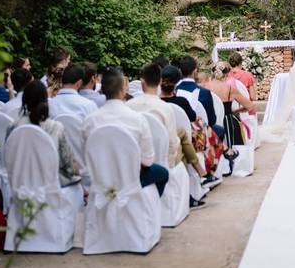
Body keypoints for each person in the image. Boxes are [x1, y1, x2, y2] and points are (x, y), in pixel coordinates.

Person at [83, 67, 168, 197]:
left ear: (102, 90)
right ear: (123, 90)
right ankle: (156, 205)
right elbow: (148, 160)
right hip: (131, 179)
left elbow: (86, 156)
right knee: (163, 174)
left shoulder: (89, 121)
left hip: (101, 179)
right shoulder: (137, 119)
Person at [129, 63, 208, 203]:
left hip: (133, 159)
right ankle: (190, 192)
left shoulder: (129, 106)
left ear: (142, 82)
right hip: (162, 158)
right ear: (159, 81)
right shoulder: (165, 108)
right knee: (181, 144)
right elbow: (172, 143)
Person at [8, 81, 81, 187]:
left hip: (21, 188)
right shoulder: (56, 127)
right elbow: (69, 166)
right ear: (46, 100)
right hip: (50, 189)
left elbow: (8, 160)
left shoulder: (13, 127)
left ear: (24, 101)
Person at [161, 64, 219, 184]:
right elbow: (193, 118)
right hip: (182, 138)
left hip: (160, 139)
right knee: (205, 130)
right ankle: (207, 171)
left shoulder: (157, 102)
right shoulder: (182, 101)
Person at [204, 61, 255, 160]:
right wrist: (235, 111)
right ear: (226, 74)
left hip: (209, 122)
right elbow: (250, 105)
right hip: (227, 122)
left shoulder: (205, 87)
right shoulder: (229, 89)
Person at [175, 56, 218, 129]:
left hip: (177, 129)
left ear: (180, 71)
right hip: (198, 133)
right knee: (219, 129)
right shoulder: (204, 93)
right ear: (195, 71)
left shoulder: (174, 90)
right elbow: (212, 120)